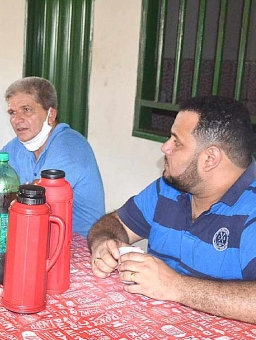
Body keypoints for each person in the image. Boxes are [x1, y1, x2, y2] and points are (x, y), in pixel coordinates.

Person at [87, 95, 256, 324]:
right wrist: (105, 243)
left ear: (210, 158)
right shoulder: (168, 189)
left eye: (177, 142)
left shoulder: (251, 209)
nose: (165, 147)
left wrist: (176, 286)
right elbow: (115, 223)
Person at [0, 77, 104, 237]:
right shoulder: (20, 145)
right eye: (12, 112)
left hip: (78, 244)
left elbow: (36, 199)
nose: (17, 119)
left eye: (26, 110)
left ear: (50, 115)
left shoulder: (70, 145)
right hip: (36, 234)